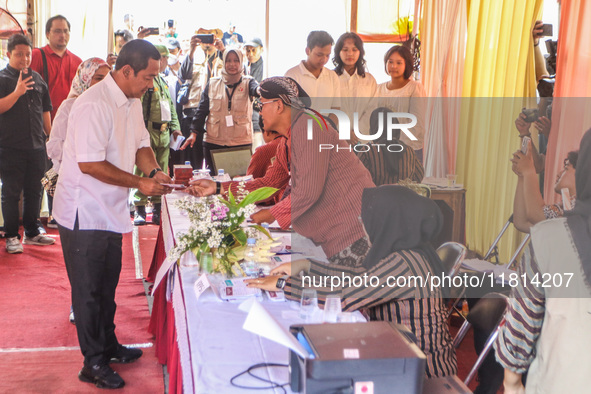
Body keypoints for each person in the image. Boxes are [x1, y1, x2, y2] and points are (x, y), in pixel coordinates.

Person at [52, 39, 173, 389]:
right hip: (83, 211)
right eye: (148, 77)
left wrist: (152, 173)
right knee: (88, 291)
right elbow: (89, 164)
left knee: (106, 286)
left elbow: (140, 145)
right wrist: (139, 182)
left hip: (110, 208)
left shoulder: (132, 101)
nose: (152, 83)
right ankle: (92, 362)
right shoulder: (93, 104)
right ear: (126, 71)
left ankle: (109, 344)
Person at [246, 185, 457, 378]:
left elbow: (345, 297)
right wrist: (307, 266)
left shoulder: (404, 264)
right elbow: (358, 276)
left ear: (386, 221)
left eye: (365, 218)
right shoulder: (408, 249)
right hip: (400, 357)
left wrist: (284, 285)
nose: (362, 224)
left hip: (421, 373)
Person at [187, 76, 374, 263]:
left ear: (279, 106)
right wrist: (218, 188)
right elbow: (270, 183)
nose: (259, 113)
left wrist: (270, 214)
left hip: (353, 230)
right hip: (336, 229)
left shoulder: (309, 128)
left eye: (261, 105)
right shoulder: (287, 139)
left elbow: (307, 191)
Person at [494, 128, 591, 394]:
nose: (561, 170)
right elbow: (523, 219)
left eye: (569, 166)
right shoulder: (560, 213)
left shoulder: (558, 227)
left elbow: (522, 322)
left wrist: (529, 173)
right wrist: (522, 177)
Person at [0, 33, 55, 254]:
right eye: (19, 54)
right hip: (10, 146)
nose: (24, 59)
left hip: (37, 146)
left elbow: (45, 109)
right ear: (8, 54)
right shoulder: (3, 79)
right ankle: (12, 235)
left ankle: (32, 232)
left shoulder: (37, 79)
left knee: (35, 190)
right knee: (12, 193)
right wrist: (17, 92)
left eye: (27, 54)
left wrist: (51, 138)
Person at [183, 48, 259, 170]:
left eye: (236, 60)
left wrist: (262, 90)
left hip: (241, 143)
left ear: (241, 62)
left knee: (239, 181)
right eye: (228, 60)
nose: (232, 64)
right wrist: (194, 133)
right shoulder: (213, 83)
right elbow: (201, 111)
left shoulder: (248, 82)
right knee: (215, 181)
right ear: (223, 62)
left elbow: (256, 90)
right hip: (214, 142)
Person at [133, 44, 181, 226]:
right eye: (164, 58)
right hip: (148, 130)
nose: (166, 62)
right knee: (144, 169)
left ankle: (158, 208)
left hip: (164, 131)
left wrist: (175, 127)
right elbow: (139, 107)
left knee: (162, 169)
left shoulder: (163, 82)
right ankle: (140, 207)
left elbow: (171, 109)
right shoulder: (147, 82)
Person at [177, 30, 224, 168]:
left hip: (215, 115)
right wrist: (191, 50)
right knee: (192, 160)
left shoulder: (222, 57)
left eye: (211, 35)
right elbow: (183, 74)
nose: (207, 40)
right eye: (204, 35)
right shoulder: (194, 55)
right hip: (192, 113)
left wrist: (223, 50)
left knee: (213, 162)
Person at [512, 140, 577, 232]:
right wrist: (522, 174)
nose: (559, 174)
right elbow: (521, 222)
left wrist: (529, 171)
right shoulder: (565, 205)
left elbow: (538, 215)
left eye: (566, 168)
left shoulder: (582, 206)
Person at [375, 45, 426, 162]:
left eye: (399, 63)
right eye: (390, 62)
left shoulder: (414, 88)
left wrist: (396, 144)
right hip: (382, 149)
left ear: (406, 64)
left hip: (408, 149)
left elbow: (417, 123)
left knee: (407, 180)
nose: (393, 66)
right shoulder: (378, 88)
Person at [31, 15, 82, 120]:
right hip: (43, 121)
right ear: (47, 34)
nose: (62, 35)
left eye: (65, 31)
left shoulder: (78, 62)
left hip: (71, 119)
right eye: (57, 31)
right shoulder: (37, 55)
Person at [357, 107, 424, 185]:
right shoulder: (409, 151)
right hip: (402, 197)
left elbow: (358, 179)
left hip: (377, 196)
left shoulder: (367, 152)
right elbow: (419, 177)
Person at [332, 32, 377, 138]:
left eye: (354, 49)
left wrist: (357, 132)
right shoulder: (330, 78)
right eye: (345, 49)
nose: (350, 54)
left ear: (360, 52)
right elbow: (328, 109)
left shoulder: (369, 80)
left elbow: (372, 109)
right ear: (338, 52)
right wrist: (343, 132)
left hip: (362, 138)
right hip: (337, 138)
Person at [285, 31, 341, 112]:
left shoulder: (332, 76)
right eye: (319, 55)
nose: (324, 59)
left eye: (327, 55)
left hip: (325, 124)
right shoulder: (292, 75)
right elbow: (288, 109)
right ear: (308, 51)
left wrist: (327, 124)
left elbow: (336, 108)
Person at [244, 38, 265, 145]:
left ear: (261, 50)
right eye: (248, 50)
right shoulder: (244, 67)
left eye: (253, 50)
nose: (250, 54)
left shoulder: (266, 67)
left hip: (260, 118)